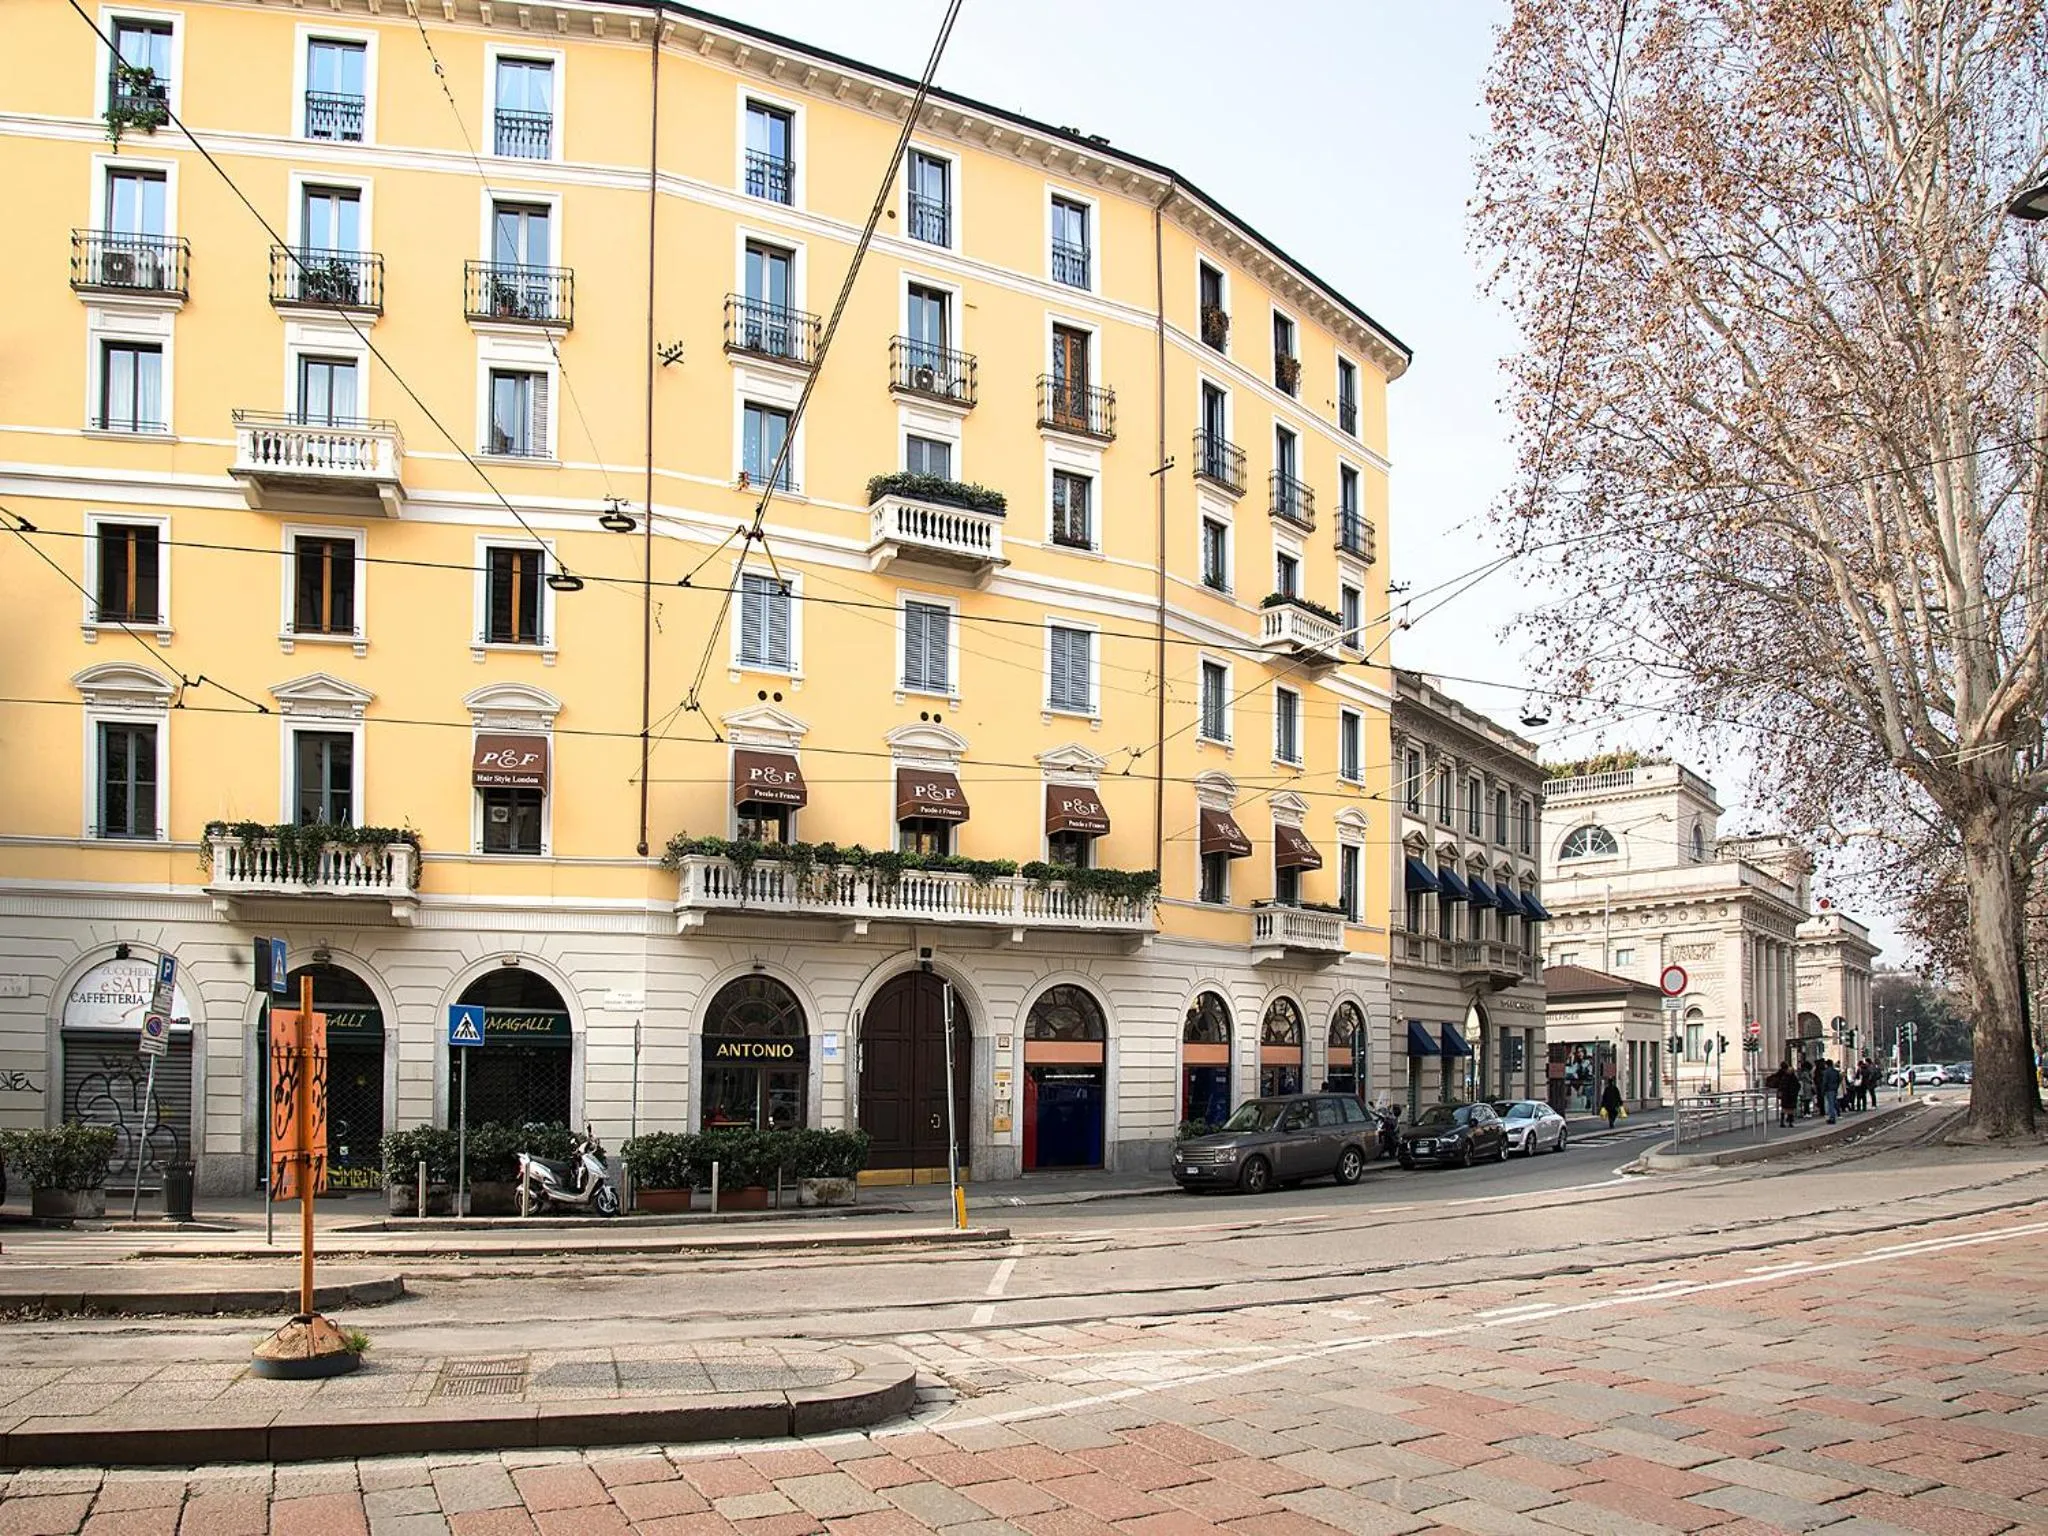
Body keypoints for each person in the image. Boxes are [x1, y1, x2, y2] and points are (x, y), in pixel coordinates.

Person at [1769, 1060, 1799, 1127]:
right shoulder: (1794, 1078)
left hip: (1785, 1096)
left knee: (1784, 1109)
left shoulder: (1784, 1077)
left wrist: (1780, 1092)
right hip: (1792, 1096)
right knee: (1790, 1109)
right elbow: (1797, 1086)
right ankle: (1790, 1123)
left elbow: (1781, 1086)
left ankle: (1782, 1122)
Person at [1821, 1058, 1841, 1124]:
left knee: (1830, 1104)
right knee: (1834, 1102)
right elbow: (1839, 1080)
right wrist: (1836, 1087)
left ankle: (1832, 1117)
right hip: (1834, 1089)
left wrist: (1823, 1090)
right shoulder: (1835, 1071)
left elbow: (1825, 1082)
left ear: (1827, 1065)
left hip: (1828, 1089)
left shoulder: (1826, 1072)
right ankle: (1835, 1114)